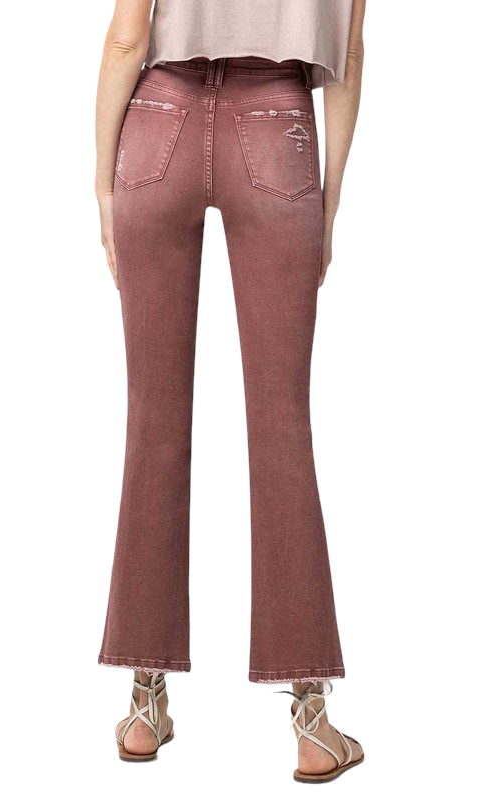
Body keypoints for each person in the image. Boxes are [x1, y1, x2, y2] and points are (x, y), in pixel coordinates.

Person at [95, 0, 366, 782]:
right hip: (278, 128)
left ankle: (144, 705)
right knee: (282, 428)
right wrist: (329, 200)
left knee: (152, 425)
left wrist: (103, 186)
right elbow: (348, 55)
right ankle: (311, 722)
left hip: (157, 122)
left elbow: (126, 38)